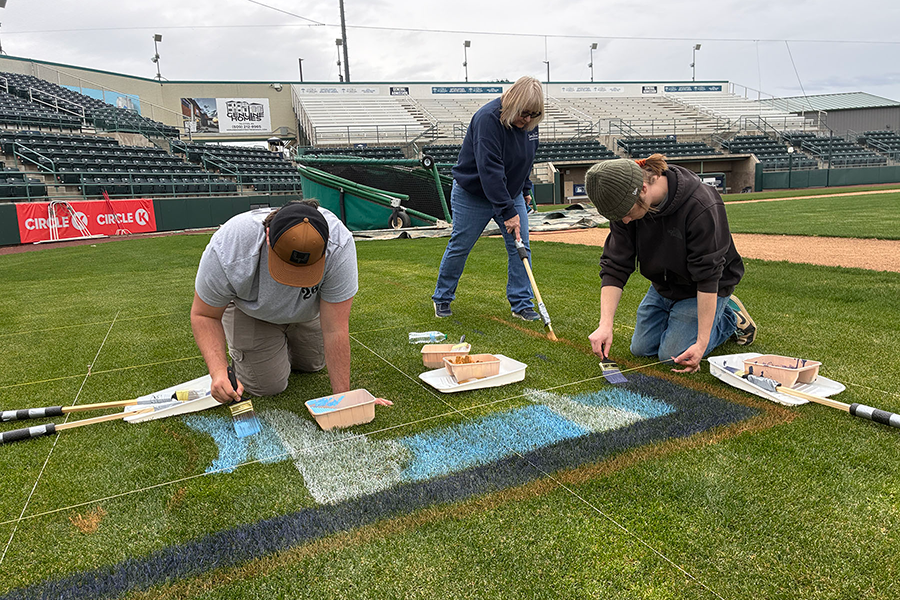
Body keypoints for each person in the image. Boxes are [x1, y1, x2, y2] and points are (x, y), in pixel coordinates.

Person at [191, 200, 379, 405]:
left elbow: (335, 328)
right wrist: (218, 371)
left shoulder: (339, 245)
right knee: (268, 385)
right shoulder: (230, 247)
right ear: (268, 236)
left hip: (306, 312)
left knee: (313, 365)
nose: (293, 282)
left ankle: (284, 344)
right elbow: (204, 314)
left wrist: (345, 400)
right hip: (252, 312)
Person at [584, 154, 757, 374]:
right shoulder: (625, 205)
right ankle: (684, 319)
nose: (625, 221)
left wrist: (701, 343)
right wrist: (605, 324)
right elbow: (615, 265)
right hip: (664, 285)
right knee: (641, 349)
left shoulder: (700, 205)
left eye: (627, 214)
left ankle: (729, 319)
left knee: (672, 356)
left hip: (702, 285)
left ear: (643, 189)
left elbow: (707, 276)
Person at [432, 75, 544, 321]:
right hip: (473, 193)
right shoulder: (487, 119)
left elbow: (527, 159)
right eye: (524, 114)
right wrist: (508, 212)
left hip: (511, 193)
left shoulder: (530, 124)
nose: (528, 120)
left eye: (534, 115)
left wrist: (525, 189)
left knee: (520, 247)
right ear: (513, 103)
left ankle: (522, 304)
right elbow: (489, 170)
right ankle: (442, 297)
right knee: (461, 245)